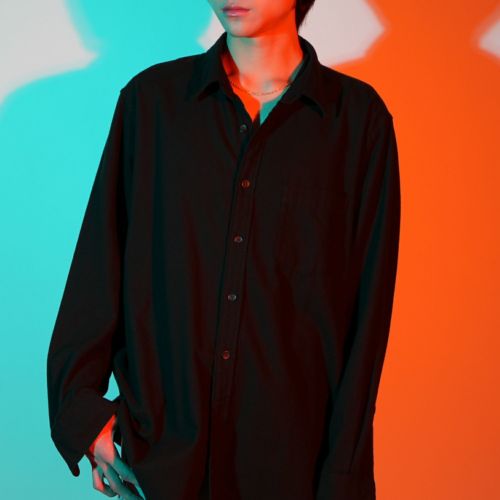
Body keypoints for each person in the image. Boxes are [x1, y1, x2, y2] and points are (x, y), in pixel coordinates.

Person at [46, 0, 401, 499]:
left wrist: (344, 476)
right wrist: (83, 415)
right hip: (160, 461)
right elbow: (99, 265)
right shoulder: (153, 104)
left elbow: (368, 316)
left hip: (293, 467)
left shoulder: (358, 123)